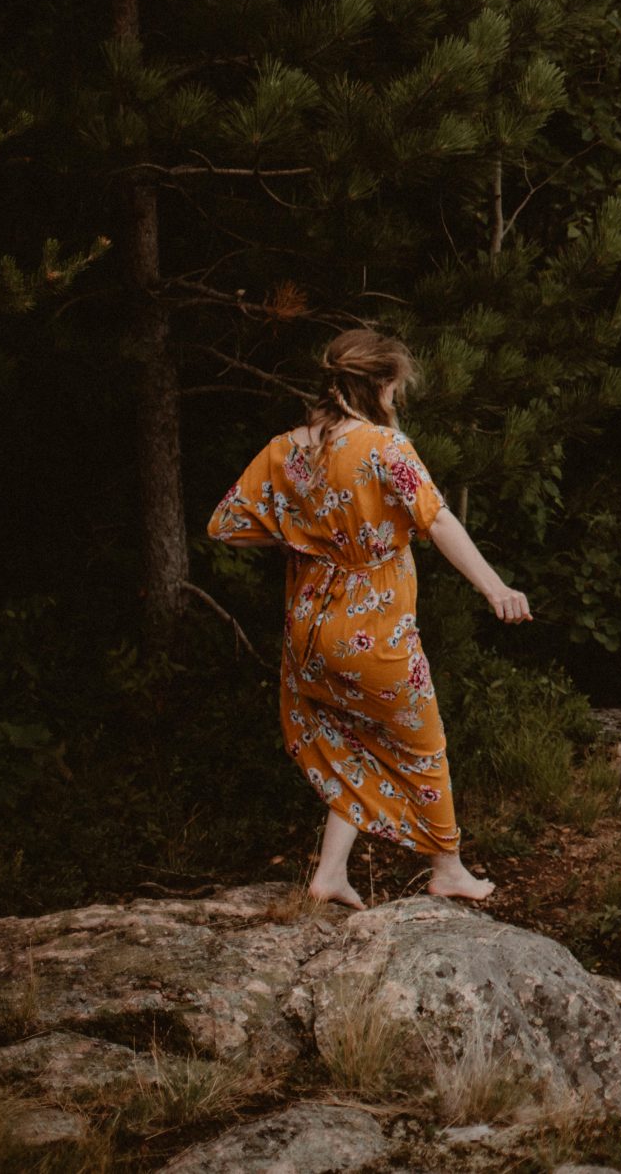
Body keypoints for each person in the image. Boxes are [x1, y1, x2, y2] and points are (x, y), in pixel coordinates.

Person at [207, 329, 532, 908]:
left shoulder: (289, 447)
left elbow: (226, 525)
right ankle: (449, 866)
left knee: (351, 741)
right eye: (396, 387)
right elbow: (436, 520)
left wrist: (305, 538)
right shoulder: (385, 446)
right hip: (372, 630)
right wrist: (494, 587)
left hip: (309, 629)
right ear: (382, 385)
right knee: (423, 746)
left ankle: (330, 874)